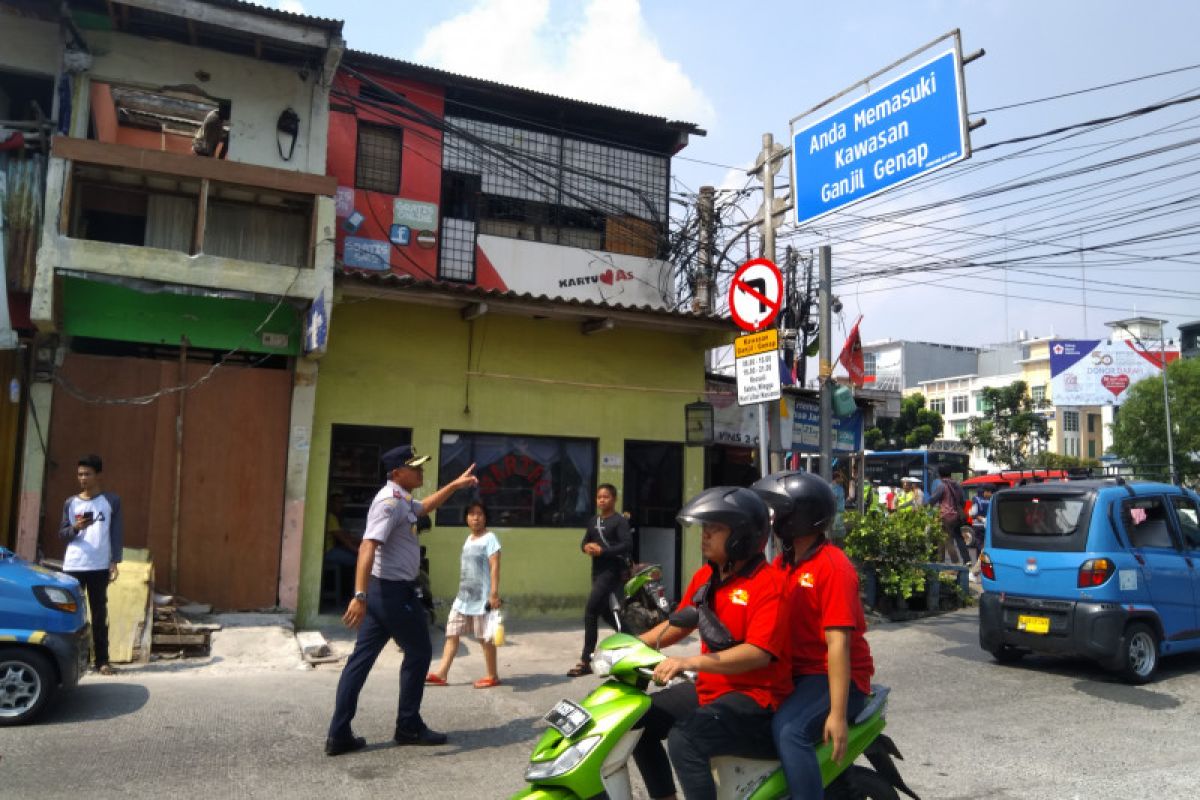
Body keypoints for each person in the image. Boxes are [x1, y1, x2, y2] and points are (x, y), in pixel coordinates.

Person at [631, 486, 791, 800]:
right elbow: (678, 624)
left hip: (756, 698)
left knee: (686, 739)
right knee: (637, 722)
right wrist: (633, 645)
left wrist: (687, 662)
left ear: (741, 535)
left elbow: (758, 653)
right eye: (704, 528)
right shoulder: (706, 577)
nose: (704, 536)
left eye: (714, 529)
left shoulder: (769, 584)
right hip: (712, 687)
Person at [325, 445, 478, 757]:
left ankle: (338, 734)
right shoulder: (389, 503)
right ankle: (408, 725)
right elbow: (368, 545)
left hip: (386, 593)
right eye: (415, 467)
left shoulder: (402, 499)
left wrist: (453, 486)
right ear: (397, 473)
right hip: (392, 593)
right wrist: (359, 595)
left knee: (360, 662)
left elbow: (423, 509)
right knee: (420, 651)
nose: (421, 471)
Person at [751, 471, 875, 800]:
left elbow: (838, 645)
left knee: (790, 731)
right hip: (795, 672)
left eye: (781, 511)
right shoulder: (784, 563)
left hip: (831, 677)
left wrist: (836, 714)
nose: (775, 518)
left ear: (801, 515)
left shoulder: (832, 567)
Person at [58, 454, 123, 676]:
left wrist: (115, 560)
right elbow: (63, 534)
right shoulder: (71, 502)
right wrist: (75, 527)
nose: (83, 478)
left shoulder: (111, 501)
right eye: (80, 474)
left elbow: (116, 533)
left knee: (99, 613)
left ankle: (102, 661)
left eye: (87, 474)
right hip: (73, 565)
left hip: (99, 566)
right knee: (72, 614)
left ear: (98, 475)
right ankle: (75, 662)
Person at [426, 500, 502, 688]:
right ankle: (442, 674)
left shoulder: (490, 538)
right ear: (466, 518)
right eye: (472, 514)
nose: (475, 518)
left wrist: (493, 594)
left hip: (481, 598)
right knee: (452, 634)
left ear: (485, 518)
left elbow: (495, 567)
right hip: (463, 598)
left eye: (480, 514)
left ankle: (492, 675)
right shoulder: (469, 539)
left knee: (485, 638)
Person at [568, 483, 632, 677]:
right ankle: (634, 639)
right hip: (596, 572)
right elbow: (584, 542)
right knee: (605, 613)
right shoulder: (593, 521)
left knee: (590, 611)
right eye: (599, 497)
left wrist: (603, 551)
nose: (602, 500)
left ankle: (585, 660)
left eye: (606, 497)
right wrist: (586, 548)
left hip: (612, 572)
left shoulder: (619, 521)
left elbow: (626, 545)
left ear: (614, 499)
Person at [929, 465, 970, 564]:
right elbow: (963, 501)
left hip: (945, 516)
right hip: (956, 516)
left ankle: (955, 563)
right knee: (949, 538)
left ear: (939, 475)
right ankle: (965, 560)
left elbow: (933, 499)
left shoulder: (941, 485)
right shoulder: (957, 485)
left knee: (947, 540)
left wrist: (925, 506)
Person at [829, 468, 847, 544]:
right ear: (836, 478)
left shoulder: (829, 486)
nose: (842, 479)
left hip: (835, 514)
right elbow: (835, 499)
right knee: (838, 535)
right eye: (840, 477)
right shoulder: (838, 488)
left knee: (833, 534)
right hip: (837, 514)